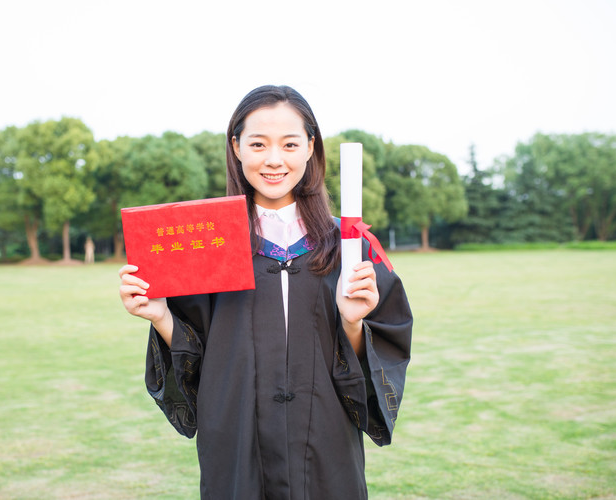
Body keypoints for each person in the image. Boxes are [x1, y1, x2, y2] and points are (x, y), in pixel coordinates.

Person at [119, 85, 412, 499]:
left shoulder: (350, 249)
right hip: (238, 447)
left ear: (311, 147)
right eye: (258, 144)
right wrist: (161, 317)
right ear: (236, 147)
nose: (274, 159)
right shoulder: (207, 244)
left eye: (290, 144)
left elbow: (378, 363)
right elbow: (200, 362)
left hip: (325, 450)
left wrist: (352, 323)